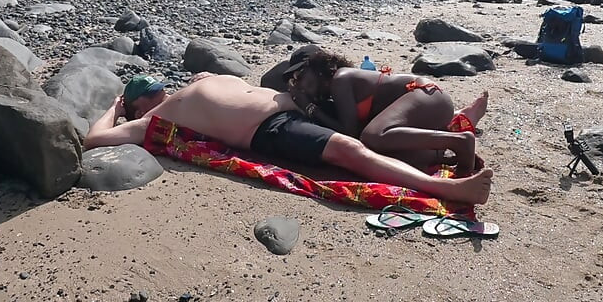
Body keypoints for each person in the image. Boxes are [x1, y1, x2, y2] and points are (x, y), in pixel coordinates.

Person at [84, 73, 493, 204]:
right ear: (139, 106)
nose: (158, 92)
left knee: (371, 122)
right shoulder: (152, 119)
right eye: (148, 93)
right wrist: (115, 107)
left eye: (156, 87)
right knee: (352, 149)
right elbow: (93, 140)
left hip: (295, 110)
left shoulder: (198, 81)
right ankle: (448, 188)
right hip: (269, 129)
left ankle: (453, 127)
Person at [283, 49, 489, 175]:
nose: (299, 84)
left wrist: (309, 107)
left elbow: (349, 133)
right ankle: (443, 151)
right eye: (294, 81)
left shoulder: (341, 79)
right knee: (387, 157)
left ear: (317, 68)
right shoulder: (334, 94)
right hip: (427, 110)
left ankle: (460, 141)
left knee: (373, 136)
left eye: (300, 75)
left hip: (426, 95)